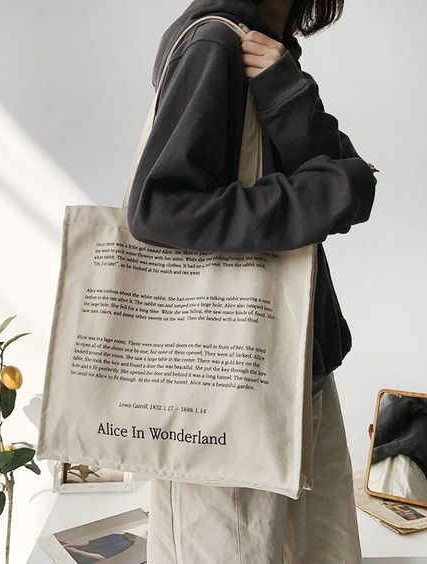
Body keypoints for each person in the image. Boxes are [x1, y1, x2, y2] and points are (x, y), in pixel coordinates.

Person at [126, 0, 378, 561]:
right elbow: (159, 208)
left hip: (293, 367)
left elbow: (343, 176)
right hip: (233, 385)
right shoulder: (216, 44)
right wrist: (336, 191)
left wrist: (291, 97)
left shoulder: (266, 49)